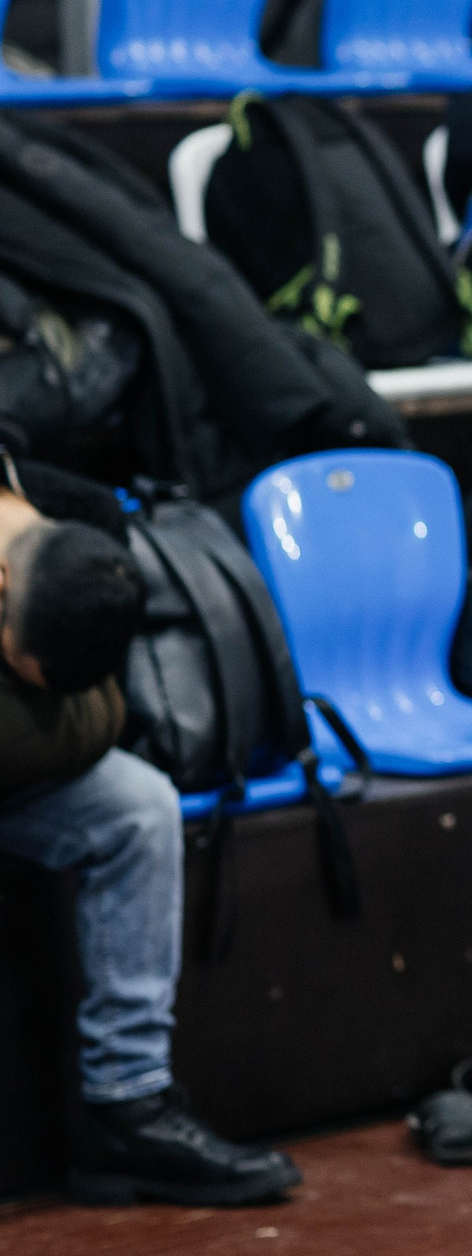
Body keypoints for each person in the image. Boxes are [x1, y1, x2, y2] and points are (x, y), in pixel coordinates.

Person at [0, 454, 301, 1207]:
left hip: (24, 764)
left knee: (137, 805)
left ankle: (128, 1106)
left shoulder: (86, 522)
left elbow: (94, 719)